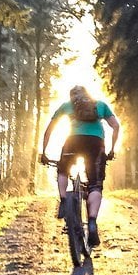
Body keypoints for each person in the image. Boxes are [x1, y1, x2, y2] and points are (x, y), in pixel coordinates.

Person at [39, 85, 121, 248]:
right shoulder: (100, 105)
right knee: (95, 185)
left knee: (62, 170)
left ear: (72, 97)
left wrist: (44, 151)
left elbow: (49, 130)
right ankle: (91, 222)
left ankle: (63, 201)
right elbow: (116, 126)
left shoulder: (67, 105)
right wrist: (111, 150)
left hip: (73, 142)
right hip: (95, 144)